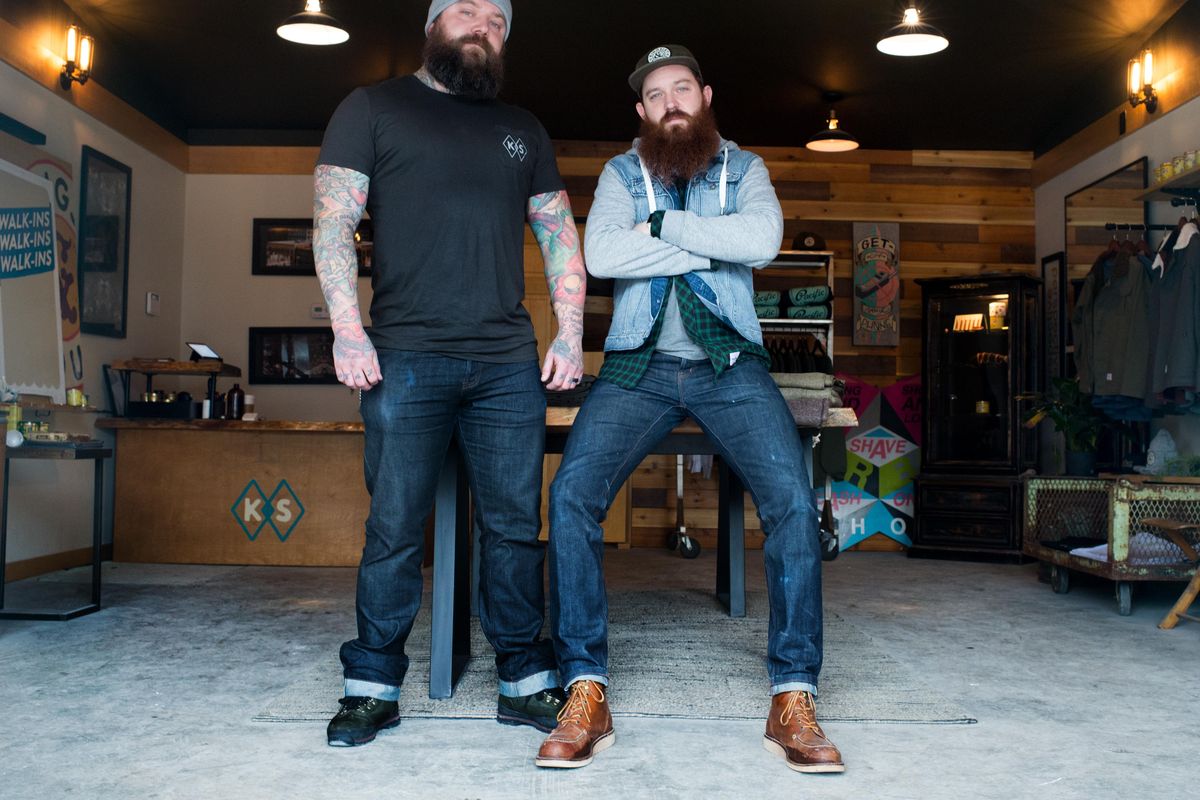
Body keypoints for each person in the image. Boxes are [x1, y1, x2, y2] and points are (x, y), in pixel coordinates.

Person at [535, 45, 844, 774]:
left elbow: (760, 241)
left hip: (728, 365)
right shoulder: (619, 173)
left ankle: (793, 694)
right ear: (642, 112)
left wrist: (663, 231)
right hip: (637, 366)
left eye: (683, 88)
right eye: (656, 94)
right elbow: (604, 255)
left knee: (794, 505)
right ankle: (585, 688)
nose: (671, 102)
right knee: (572, 495)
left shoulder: (745, 169)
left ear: (704, 97)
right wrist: (711, 248)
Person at [312, 0, 586, 748]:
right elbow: (334, 222)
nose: (481, 24)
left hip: (505, 362)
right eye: (464, 9)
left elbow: (559, 232)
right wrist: (346, 329)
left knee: (512, 527)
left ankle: (524, 680)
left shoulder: (522, 129)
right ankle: (371, 686)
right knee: (395, 526)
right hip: (403, 354)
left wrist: (570, 330)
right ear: (431, 24)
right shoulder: (371, 108)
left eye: (496, 19)